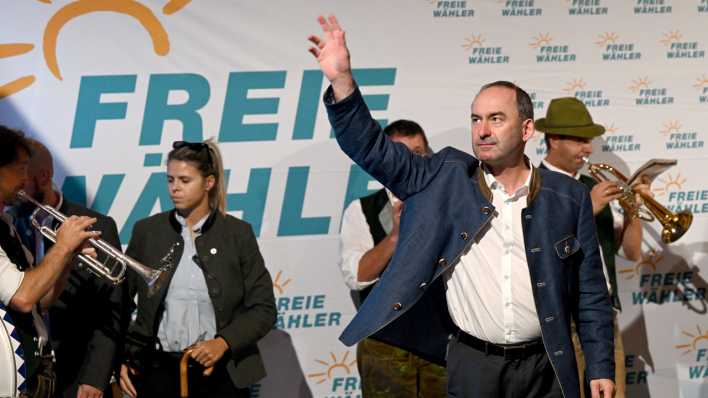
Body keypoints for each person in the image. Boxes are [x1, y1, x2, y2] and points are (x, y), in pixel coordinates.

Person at [308, 15, 615, 398]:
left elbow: (590, 293)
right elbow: (371, 148)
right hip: (473, 365)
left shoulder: (569, 197)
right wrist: (342, 82)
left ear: (526, 130)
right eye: (476, 119)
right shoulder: (443, 178)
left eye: (496, 119)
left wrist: (600, 366)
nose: (482, 129)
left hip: (546, 365)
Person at [119, 139, 276, 398]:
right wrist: (123, 357)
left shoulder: (237, 234)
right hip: (157, 371)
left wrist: (223, 342)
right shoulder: (147, 231)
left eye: (184, 180)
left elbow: (264, 309)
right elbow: (121, 301)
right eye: (170, 180)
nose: (174, 188)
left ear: (209, 182)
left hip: (220, 373)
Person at [537, 97, 652, 398]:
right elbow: (540, 248)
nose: (587, 148)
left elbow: (631, 252)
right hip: (561, 321)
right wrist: (588, 207)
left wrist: (632, 210)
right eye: (578, 140)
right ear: (553, 139)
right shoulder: (534, 185)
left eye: (588, 140)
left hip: (603, 316)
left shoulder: (590, 183)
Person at [8, 138, 124, 398]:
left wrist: (95, 377)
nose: (16, 187)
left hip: (77, 373)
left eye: (22, 177)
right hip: (22, 371)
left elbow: (111, 309)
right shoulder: (9, 226)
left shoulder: (97, 226)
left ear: (44, 176)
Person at [339, 120, 446, 397]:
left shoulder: (451, 205)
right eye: (401, 153)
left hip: (445, 347)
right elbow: (357, 276)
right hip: (385, 348)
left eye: (419, 152)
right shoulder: (362, 210)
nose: (411, 161)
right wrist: (396, 236)